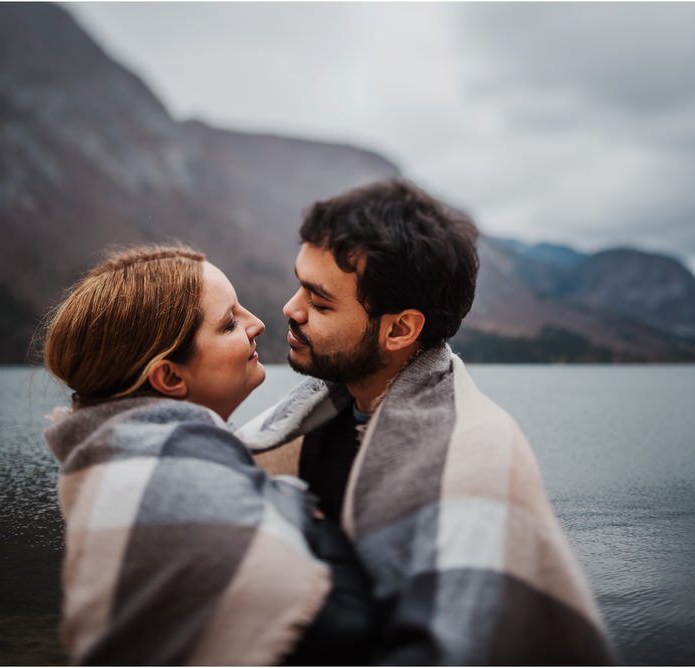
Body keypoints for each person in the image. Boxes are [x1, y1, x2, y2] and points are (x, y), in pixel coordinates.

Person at [240, 179, 617, 665]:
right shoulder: (319, 413)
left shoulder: (475, 455)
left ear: (400, 329)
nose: (291, 309)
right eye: (299, 285)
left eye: (320, 301)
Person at [41, 244, 377, 665]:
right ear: (168, 375)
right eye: (229, 323)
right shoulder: (171, 478)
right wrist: (307, 516)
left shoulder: (116, 451)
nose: (256, 323)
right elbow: (343, 627)